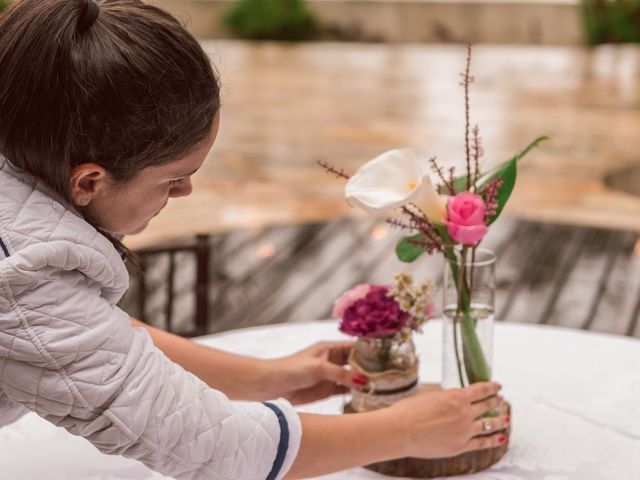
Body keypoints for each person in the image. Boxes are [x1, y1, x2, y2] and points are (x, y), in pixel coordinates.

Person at [0, 1, 508, 479]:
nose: (187, 191)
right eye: (174, 179)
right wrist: (408, 429)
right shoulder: (23, 276)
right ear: (88, 182)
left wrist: (267, 377)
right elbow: (214, 448)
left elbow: (85, 335)